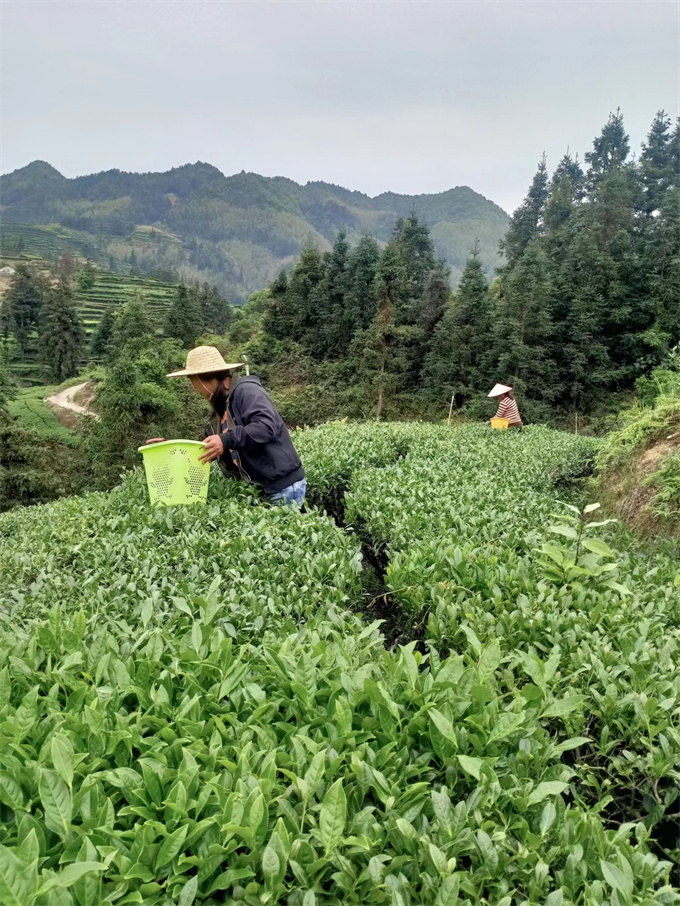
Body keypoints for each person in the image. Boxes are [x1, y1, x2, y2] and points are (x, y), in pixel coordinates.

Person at [148, 346, 306, 506]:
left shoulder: (247, 391)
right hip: (260, 488)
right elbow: (204, 448)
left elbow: (266, 426)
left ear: (202, 378)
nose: (192, 387)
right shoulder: (220, 408)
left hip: (283, 487)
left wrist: (226, 440)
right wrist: (168, 449)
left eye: (191, 380)